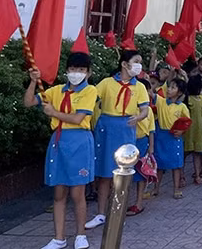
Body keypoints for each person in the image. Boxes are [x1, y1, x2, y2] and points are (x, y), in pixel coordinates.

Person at [24, 47, 96, 249]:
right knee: (59, 193)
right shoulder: (55, 91)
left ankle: (81, 234)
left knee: (77, 193)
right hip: (59, 142)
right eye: (73, 68)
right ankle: (59, 238)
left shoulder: (90, 91)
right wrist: (33, 80)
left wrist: (54, 112)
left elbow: (77, 118)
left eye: (81, 69)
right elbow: (29, 102)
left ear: (88, 73)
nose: (76, 73)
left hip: (80, 142)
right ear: (67, 70)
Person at [85, 49, 150, 231]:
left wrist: (138, 118)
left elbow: (144, 109)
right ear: (124, 64)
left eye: (140, 62)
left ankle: (118, 212)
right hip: (106, 128)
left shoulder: (140, 87)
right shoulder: (106, 83)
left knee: (123, 175)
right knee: (105, 174)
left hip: (127, 129)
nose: (139, 65)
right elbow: (91, 98)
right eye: (136, 61)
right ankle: (100, 214)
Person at [154, 78, 189, 199]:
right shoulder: (161, 102)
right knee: (159, 165)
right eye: (169, 87)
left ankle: (176, 189)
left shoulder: (182, 107)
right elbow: (152, 94)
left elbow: (187, 122)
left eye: (173, 87)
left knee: (176, 165)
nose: (169, 89)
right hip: (161, 136)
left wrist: (182, 131)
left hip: (174, 137)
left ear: (179, 92)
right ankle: (156, 188)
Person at [127, 77, 155, 216]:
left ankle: (138, 203)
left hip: (141, 142)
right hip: (127, 142)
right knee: (124, 174)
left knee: (140, 173)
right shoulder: (127, 107)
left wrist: (151, 148)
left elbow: (151, 130)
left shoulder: (148, 110)